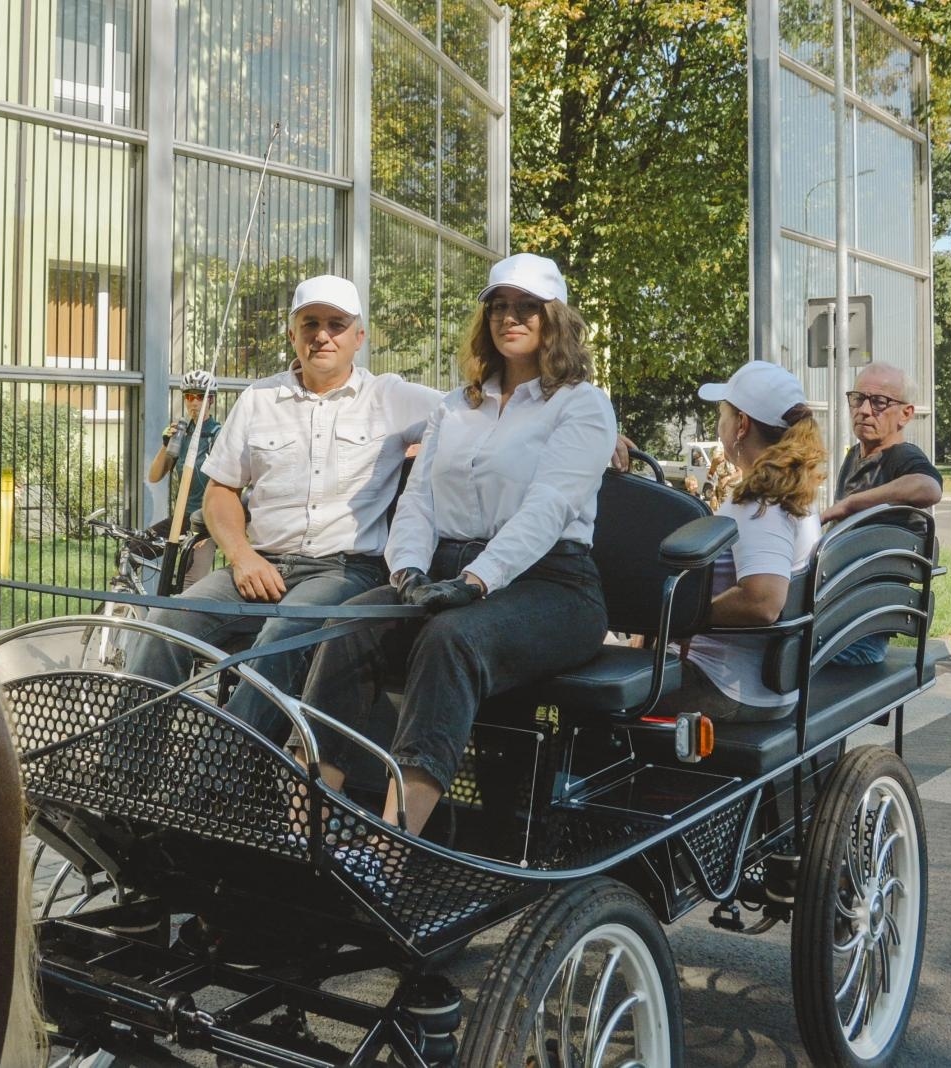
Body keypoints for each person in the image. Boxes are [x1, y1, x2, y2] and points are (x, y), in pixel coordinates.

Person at [298, 253, 616, 850]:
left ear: (556, 319)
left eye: (526, 307)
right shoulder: (455, 404)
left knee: (452, 639)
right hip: (447, 572)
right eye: (499, 306)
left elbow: (547, 509)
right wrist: (408, 570)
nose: (510, 317)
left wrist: (475, 582)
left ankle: (390, 849)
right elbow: (418, 500)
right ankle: (305, 828)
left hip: (554, 586)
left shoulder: (582, 405)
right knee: (349, 623)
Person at [126, 275, 443, 734]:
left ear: (359, 337)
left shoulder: (393, 398)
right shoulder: (259, 399)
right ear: (291, 334)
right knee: (167, 622)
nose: (322, 335)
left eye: (337, 324)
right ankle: (120, 777)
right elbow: (220, 493)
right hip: (260, 565)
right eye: (309, 323)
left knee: (280, 637)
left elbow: (473, 417)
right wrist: (241, 556)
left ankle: (218, 782)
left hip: (346, 571)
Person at [654, 360, 825, 728]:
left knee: (586, 695)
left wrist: (681, 616)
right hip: (766, 686)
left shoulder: (760, 502)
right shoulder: (795, 492)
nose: (721, 424)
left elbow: (763, 600)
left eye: (724, 414)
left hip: (724, 687)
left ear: (742, 425)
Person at [819, 364, 943, 664]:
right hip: (837, 619)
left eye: (879, 402)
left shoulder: (902, 456)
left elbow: (929, 487)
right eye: (858, 398)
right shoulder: (855, 456)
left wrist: (852, 504)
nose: (863, 410)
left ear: (906, 414)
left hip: (860, 635)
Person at [146, 369, 223, 537]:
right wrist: (166, 444)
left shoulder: (217, 435)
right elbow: (154, 476)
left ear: (210, 400)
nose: (194, 402)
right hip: (182, 516)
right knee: (135, 548)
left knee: (192, 564)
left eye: (200, 397)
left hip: (205, 521)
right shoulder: (182, 435)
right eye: (189, 397)